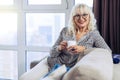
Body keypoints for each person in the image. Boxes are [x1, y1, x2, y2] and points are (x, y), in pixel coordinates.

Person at [19, 3, 112, 80]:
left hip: (72, 69)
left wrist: (84, 49)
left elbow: (107, 51)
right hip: (55, 64)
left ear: (89, 17)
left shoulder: (93, 34)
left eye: (84, 15)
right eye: (77, 15)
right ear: (73, 18)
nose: (81, 18)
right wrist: (59, 48)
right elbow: (51, 53)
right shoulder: (65, 31)